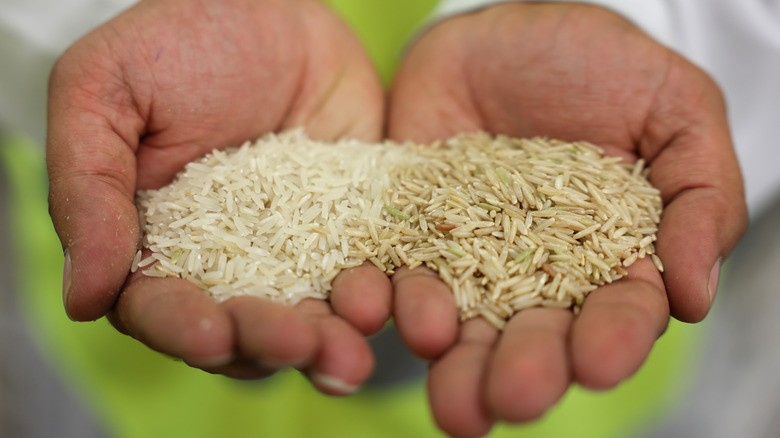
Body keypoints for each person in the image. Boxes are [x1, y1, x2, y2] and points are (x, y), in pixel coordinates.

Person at [3, 0, 776, 437]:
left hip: (578, 411)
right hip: (146, 396)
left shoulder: (585, 206)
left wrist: (646, 20)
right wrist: (100, 15)